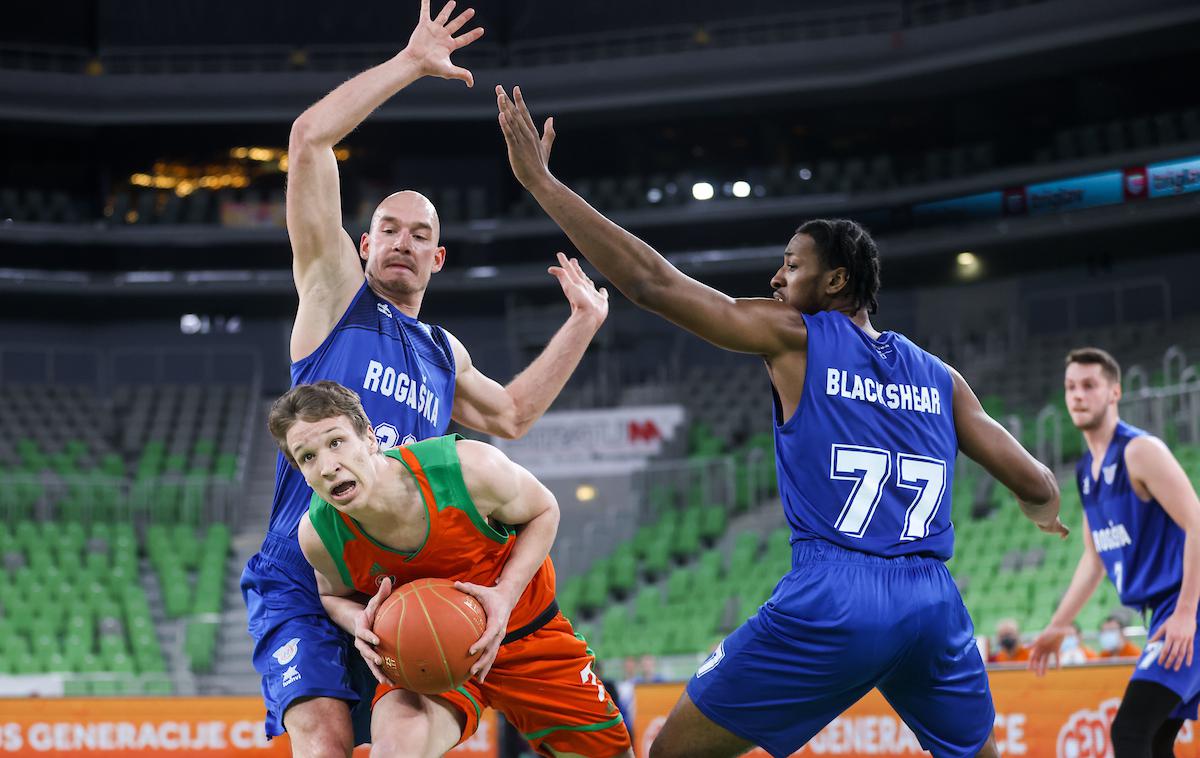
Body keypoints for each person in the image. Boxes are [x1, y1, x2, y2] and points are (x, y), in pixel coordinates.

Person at [494, 86, 1068, 758]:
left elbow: (653, 284)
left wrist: (540, 181)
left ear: (835, 283)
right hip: (933, 604)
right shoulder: (943, 379)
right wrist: (1041, 514)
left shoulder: (800, 336)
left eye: (792, 266)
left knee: (669, 754)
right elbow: (1036, 482)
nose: (775, 278)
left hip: (837, 594)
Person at [240, 5, 610, 754]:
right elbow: (309, 139)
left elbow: (510, 418)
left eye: (422, 234)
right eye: (390, 229)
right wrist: (412, 62)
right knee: (322, 736)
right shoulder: (335, 296)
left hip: (406, 572)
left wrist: (581, 324)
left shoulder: (444, 351)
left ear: (437, 259)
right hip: (305, 561)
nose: (404, 242)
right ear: (364, 242)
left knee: (408, 736)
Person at [270, 381, 633, 757]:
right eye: (307, 457)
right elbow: (331, 595)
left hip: (526, 636)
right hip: (423, 661)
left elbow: (544, 510)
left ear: (369, 437)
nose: (328, 466)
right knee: (395, 750)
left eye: (336, 442)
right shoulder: (319, 533)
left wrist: (505, 594)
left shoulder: (468, 468)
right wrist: (357, 621)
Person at [1030, 347, 1200, 758]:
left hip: (1187, 607)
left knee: (1131, 731)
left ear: (1114, 393)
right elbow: (1094, 559)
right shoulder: (1087, 473)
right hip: (1163, 611)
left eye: (1089, 385)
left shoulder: (1140, 451)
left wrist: (1185, 613)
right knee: (1156, 738)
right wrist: (1057, 625)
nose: (1078, 395)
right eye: (1071, 387)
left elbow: (1197, 521)